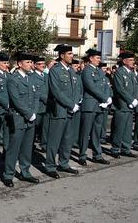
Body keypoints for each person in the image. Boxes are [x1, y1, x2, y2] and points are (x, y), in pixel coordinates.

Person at [45, 44, 83, 178]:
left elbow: (78, 88)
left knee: (67, 139)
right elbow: (56, 91)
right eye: (69, 54)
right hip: (59, 110)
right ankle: (49, 166)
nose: (72, 56)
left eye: (72, 54)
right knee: (54, 140)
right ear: (62, 56)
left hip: (71, 110)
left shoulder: (72, 71)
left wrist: (77, 102)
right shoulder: (55, 70)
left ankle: (64, 163)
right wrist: (70, 104)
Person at [2, 52, 40, 188]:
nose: (31, 65)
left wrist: (34, 112)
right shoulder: (13, 79)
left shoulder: (32, 78)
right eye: (28, 62)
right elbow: (16, 99)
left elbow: (36, 96)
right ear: (19, 64)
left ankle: (25, 172)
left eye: (31, 62)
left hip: (31, 117)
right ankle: (8, 174)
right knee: (14, 148)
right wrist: (28, 113)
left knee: (27, 147)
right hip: (19, 117)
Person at [79, 49, 112, 166]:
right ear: (91, 58)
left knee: (96, 132)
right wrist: (104, 98)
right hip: (90, 105)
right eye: (97, 58)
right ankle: (82, 155)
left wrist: (107, 98)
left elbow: (106, 85)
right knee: (85, 131)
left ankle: (97, 154)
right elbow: (91, 87)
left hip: (99, 106)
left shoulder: (99, 71)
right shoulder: (87, 71)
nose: (99, 60)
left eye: (99, 58)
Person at [109, 52, 138, 158]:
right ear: (124, 61)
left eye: (133, 60)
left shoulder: (131, 73)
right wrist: (130, 100)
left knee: (128, 129)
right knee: (119, 128)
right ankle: (115, 149)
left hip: (130, 106)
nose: (133, 62)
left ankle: (126, 148)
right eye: (130, 60)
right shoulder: (119, 72)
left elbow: (135, 88)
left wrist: (134, 99)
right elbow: (120, 89)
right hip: (122, 105)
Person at [32, 56, 49, 153]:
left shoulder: (46, 76)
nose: (42, 65)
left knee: (45, 127)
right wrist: (46, 99)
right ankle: (31, 144)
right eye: (39, 64)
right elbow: (36, 91)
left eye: (43, 64)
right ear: (34, 65)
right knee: (35, 127)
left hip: (47, 106)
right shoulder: (32, 76)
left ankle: (44, 144)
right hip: (38, 106)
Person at [99, 62, 113, 144]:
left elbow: (109, 89)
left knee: (104, 122)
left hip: (106, 103)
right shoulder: (99, 78)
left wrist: (110, 97)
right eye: (103, 68)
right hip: (100, 103)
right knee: (99, 122)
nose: (105, 70)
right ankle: (99, 137)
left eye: (106, 68)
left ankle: (102, 137)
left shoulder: (107, 78)